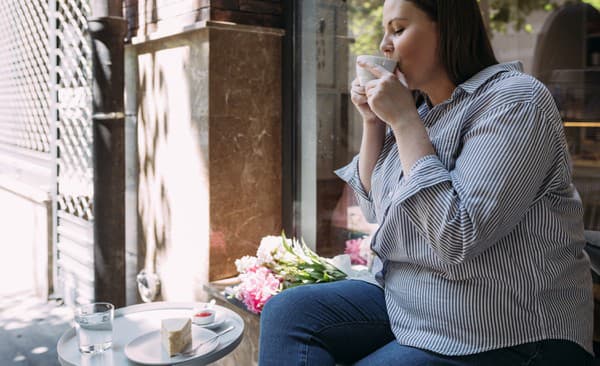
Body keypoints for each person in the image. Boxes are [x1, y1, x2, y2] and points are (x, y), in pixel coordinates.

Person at [258, 0, 594, 364]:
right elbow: (373, 208)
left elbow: (458, 237)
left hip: (506, 326)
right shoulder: (424, 112)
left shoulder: (515, 100)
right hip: (416, 300)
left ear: (447, 28)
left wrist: (403, 122)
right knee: (287, 313)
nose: (385, 44)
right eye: (386, 31)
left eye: (399, 29)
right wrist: (375, 123)